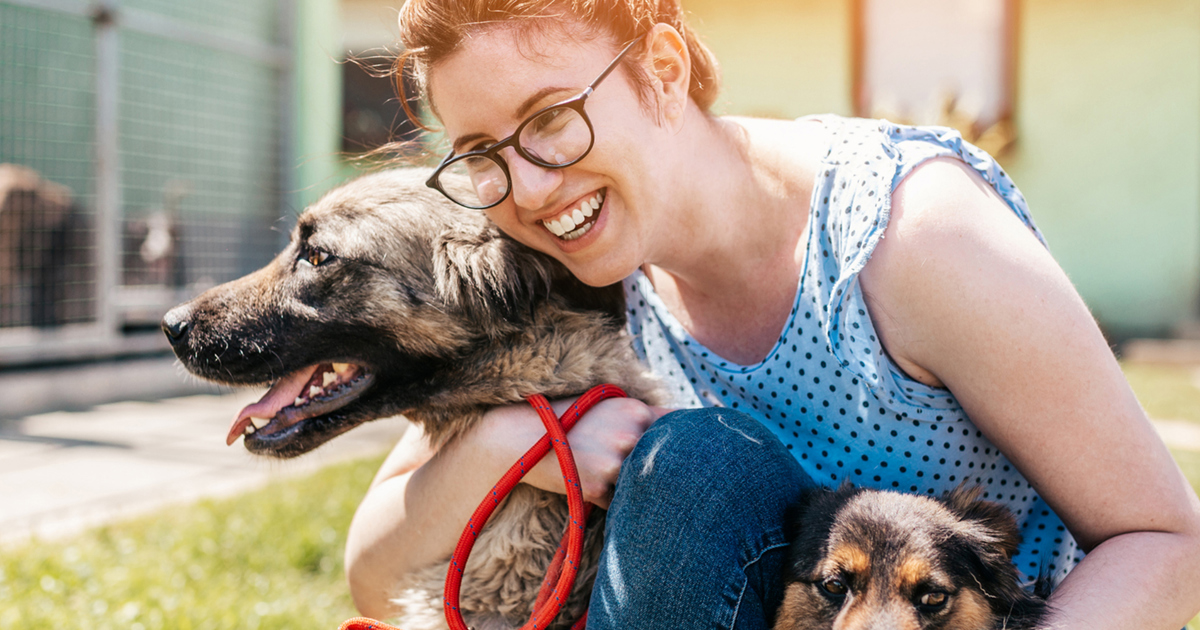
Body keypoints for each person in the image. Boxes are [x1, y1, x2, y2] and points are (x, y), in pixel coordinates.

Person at [343, 1, 1200, 628]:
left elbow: (1167, 541)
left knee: (692, 461)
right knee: (697, 466)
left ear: (664, 72)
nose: (527, 188)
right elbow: (377, 573)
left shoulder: (910, 237)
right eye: (481, 155)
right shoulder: (572, 270)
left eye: (552, 120)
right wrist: (511, 444)